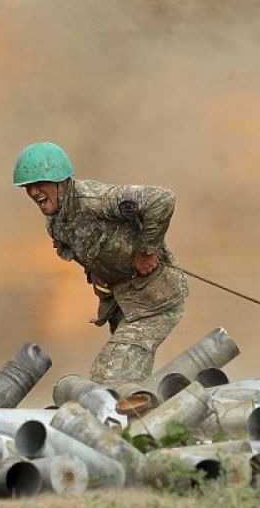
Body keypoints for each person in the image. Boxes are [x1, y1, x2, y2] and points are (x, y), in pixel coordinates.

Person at [12, 142, 188, 386]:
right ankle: (144, 419)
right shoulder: (56, 224)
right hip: (123, 304)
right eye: (28, 187)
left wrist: (147, 251)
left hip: (155, 299)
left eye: (40, 184)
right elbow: (84, 250)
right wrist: (96, 273)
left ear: (62, 181)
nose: (33, 192)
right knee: (130, 380)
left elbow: (162, 200)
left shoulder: (95, 199)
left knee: (110, 376)